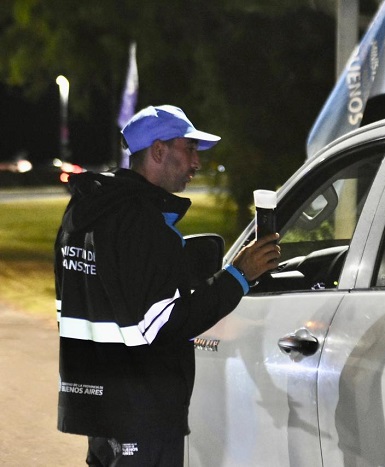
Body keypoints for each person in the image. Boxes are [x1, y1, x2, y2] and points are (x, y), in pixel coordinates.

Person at [54, 105, 281, 466]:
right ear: (158, 151)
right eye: (189, 149)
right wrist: (239, 275)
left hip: (97, 407)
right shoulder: (147, 227)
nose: (197, 163)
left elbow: (71, 309)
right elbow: (165, 325)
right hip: (141, 411)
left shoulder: (80, 217)